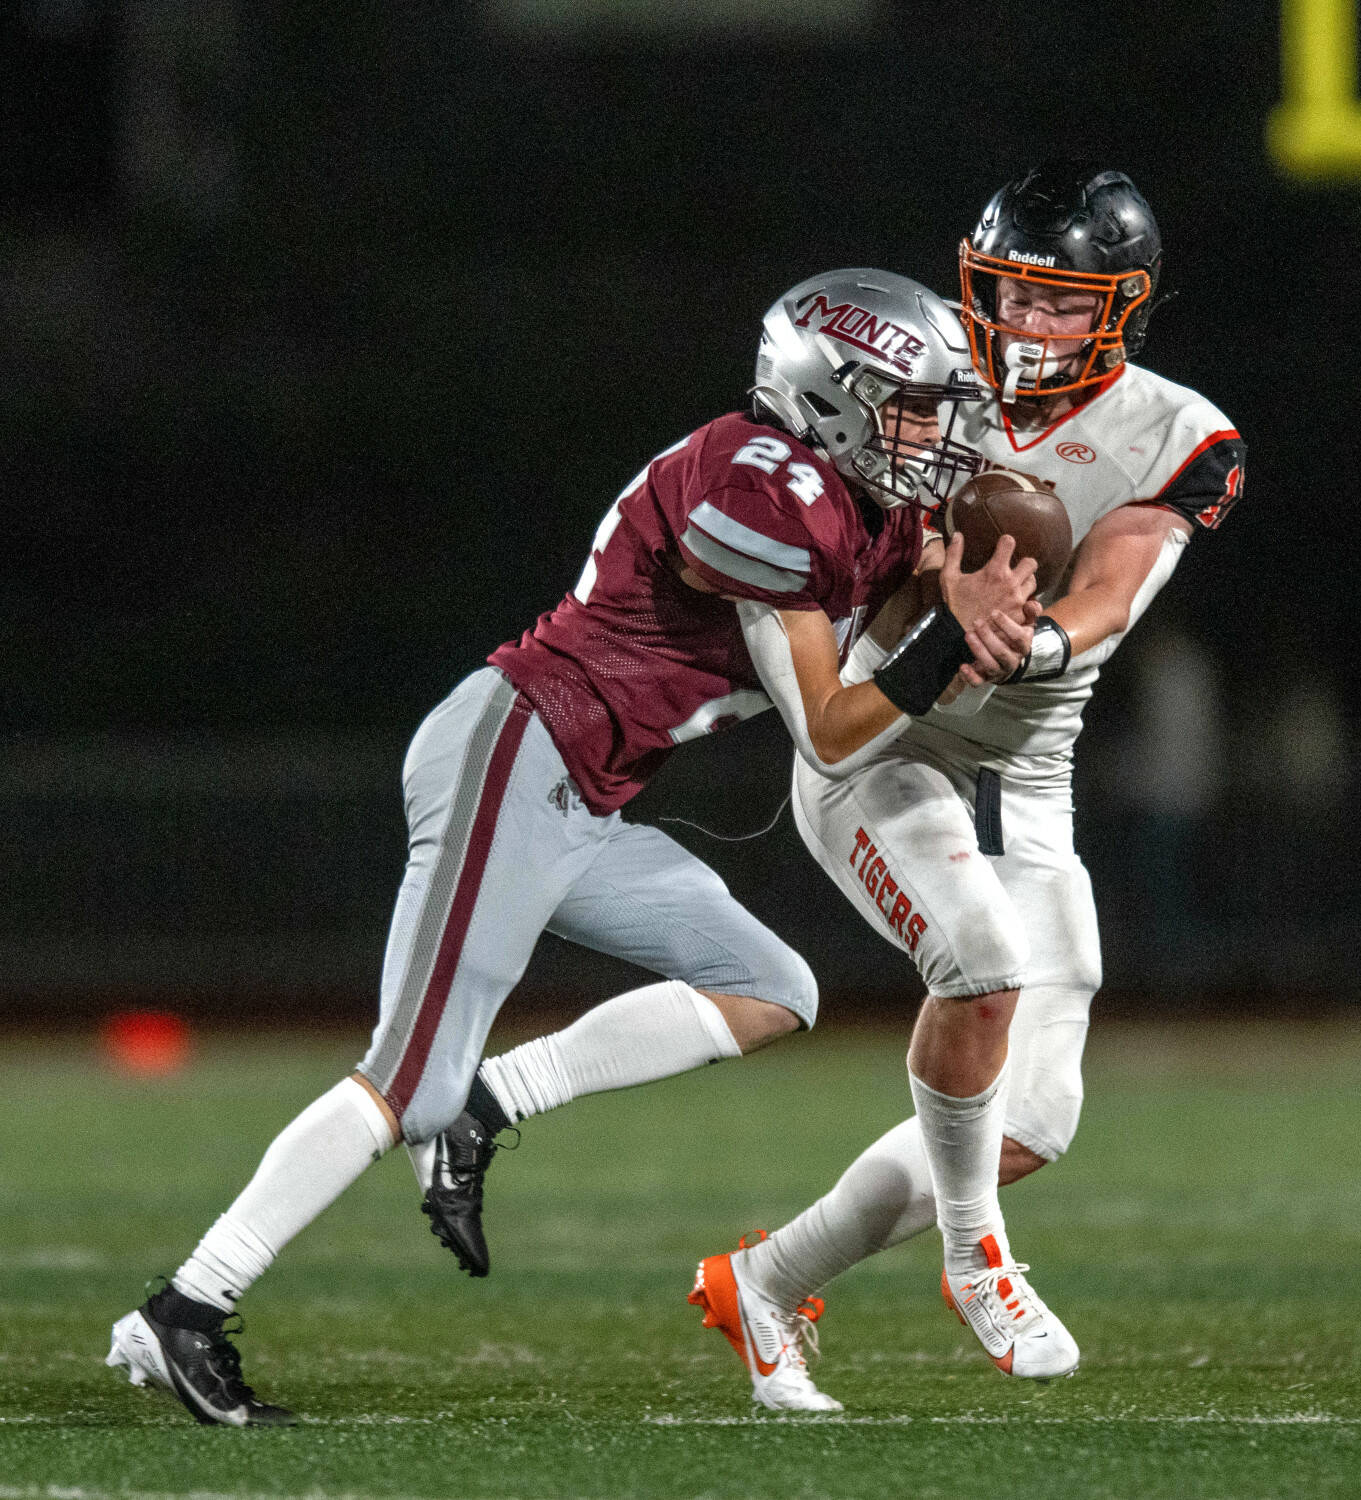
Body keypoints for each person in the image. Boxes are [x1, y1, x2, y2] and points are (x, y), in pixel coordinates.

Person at [104, 267, 1039, 1426]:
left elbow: (883, 612)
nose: (928, 439)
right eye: (909, 409)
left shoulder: (860, 502)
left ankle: (489, 1111)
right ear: (829, 396)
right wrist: (947, 636)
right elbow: (837, 730)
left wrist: (961, 600)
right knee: (408, 1076)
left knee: (770, 988)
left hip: (580, 795)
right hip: (518, 749)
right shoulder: (758, 480)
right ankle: (187, 1308)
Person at [688, 162, 1247, 1410]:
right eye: (1015, 296)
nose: (1030, 328)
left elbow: (1110, 582)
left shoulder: (1181, 431)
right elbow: (842, 558)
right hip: (892, 740)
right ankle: (973, 1254)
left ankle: (764, 1280)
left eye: (1065, 304)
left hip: (1031, 766)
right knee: (981, 967)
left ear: (1124, 306)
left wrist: (1031, 636)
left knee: (1040, 1113)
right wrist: (934, 590)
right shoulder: (927, 382)